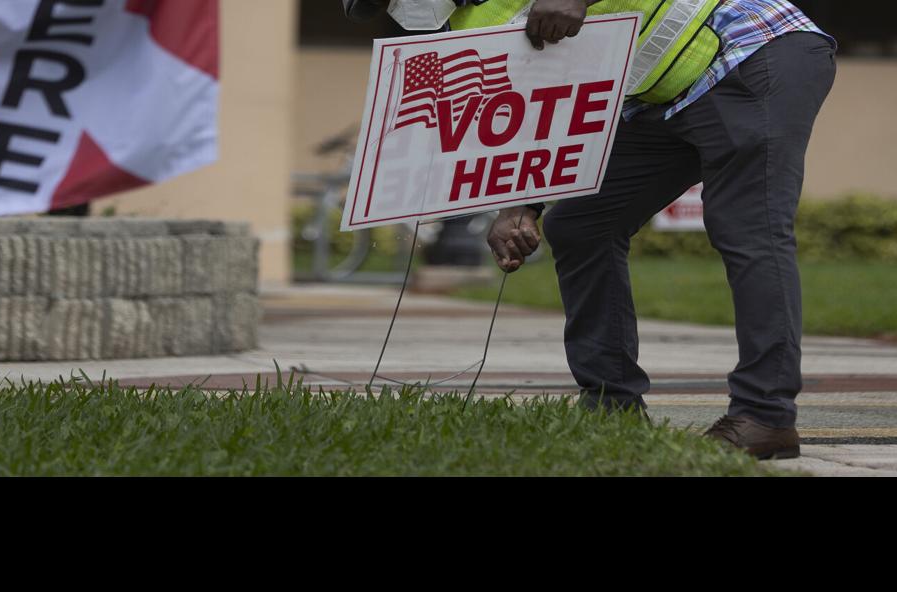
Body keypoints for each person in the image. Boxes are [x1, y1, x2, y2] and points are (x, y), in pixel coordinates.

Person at [343, 0, 835, 460]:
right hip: (659, 100)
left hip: (750, 51)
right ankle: (612, 406)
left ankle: (766, 415)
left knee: (747, 229)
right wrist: (521, 206)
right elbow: (538, 102)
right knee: (581, 223)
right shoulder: (470, 22)